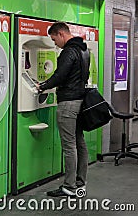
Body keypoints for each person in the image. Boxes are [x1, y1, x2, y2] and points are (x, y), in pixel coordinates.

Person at [37, 22, 90, 197]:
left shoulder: (68, 51)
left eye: (54, 39)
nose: (54, 44)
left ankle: (68, 186)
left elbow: (60, 75)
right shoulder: (84, 50)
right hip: (80, 101)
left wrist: (42, 86)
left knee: (69, 146)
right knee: (79, 141)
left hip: (68, 103)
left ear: (61, 34)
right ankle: (80, 181)